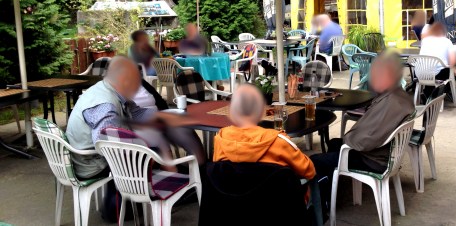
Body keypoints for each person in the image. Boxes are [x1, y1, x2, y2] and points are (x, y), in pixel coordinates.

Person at [66, 56, 206, 180]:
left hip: (95, 157)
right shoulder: (105, 106)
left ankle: (187, 174)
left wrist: (166, 116)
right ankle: (169, 189)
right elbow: (109, 147)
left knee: (163, 138)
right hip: (94, 165)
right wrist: (153, 155)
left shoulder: (109, 88)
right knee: (157, 151)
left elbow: (137, 113)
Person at [310, 52, 415, 214]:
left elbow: (364, 142)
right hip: (381, 154)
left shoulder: (392, 102)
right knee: (333, 144)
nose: (373, 78)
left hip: (373, 159)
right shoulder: (398, 95)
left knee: (313, 161)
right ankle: (330, 193)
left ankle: (321, 209)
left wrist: (348, 140)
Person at [213, 84, 315, 179]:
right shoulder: (278, 142)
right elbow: (309, 171)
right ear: (262, 111)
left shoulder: (220, 140)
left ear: (231, 112)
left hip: (232, 197)